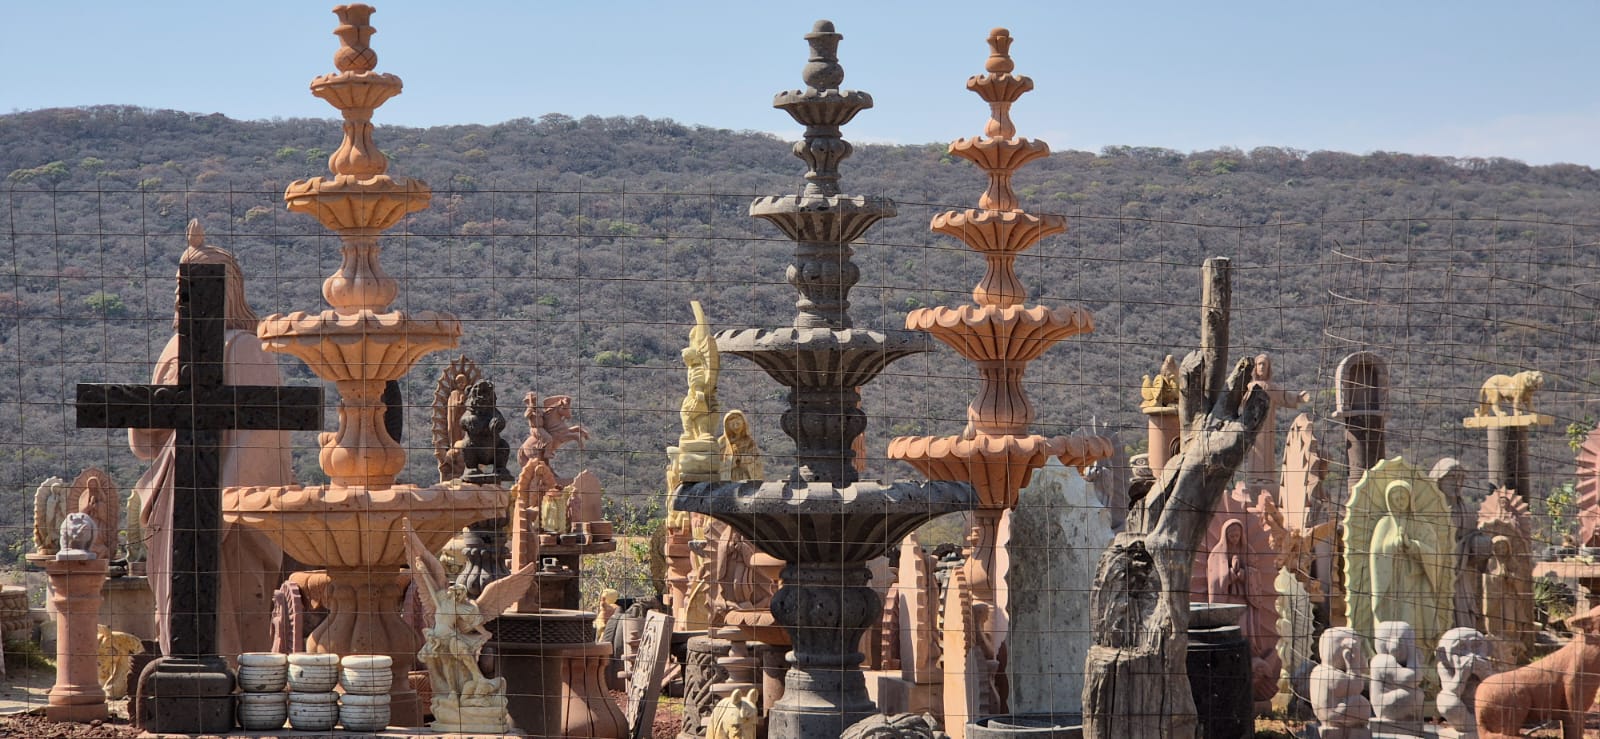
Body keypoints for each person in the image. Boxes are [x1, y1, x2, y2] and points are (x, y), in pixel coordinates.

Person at [129, 221, 292, 659]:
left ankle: (235, 684)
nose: (180, 296)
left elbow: (259, 439)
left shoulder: (247, 348)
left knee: (229, 609)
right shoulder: (174, 347)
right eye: (179, 286)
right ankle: (182, 675)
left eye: (191, 286)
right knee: (177, 604)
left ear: (223, 290)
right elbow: (148, 442)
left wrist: (221, 509)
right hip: (176, 496)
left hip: (225, 514)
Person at [1370, 480, 1444, 633]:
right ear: (1390, 500)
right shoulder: (1384, 524)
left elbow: (1435, 554)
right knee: (1395, 616)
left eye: (1403, 498)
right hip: (1392, 582)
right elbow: (1376, 553)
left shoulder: (1421, 524)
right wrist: (1393, 544)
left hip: (1415, 580)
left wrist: (1413, 546)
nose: (1400, 502)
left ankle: (1417, 644)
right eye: (1396, 499)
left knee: (1413, 616)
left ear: (1410, 499)